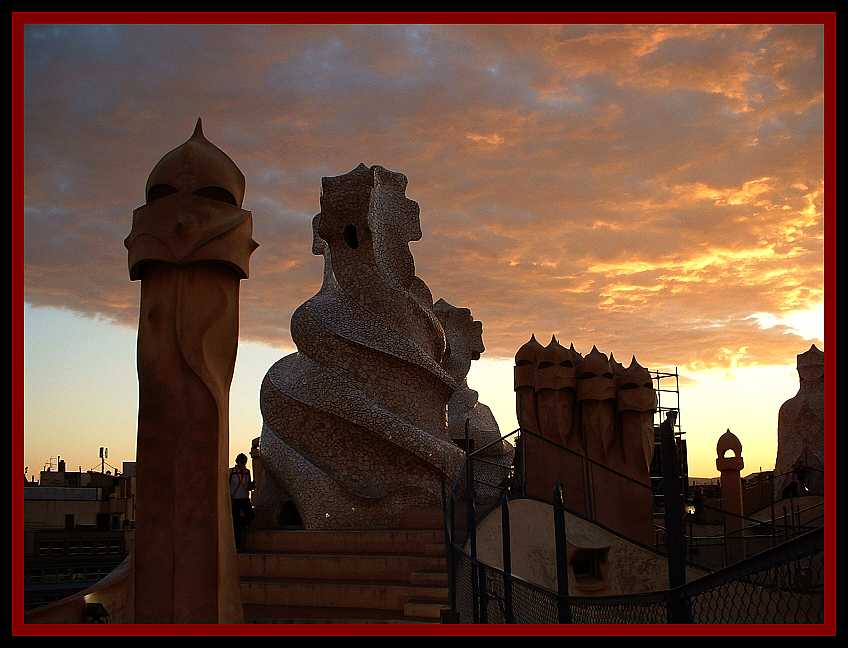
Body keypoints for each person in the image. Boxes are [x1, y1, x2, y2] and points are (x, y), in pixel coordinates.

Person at [229, 453, 255, 552]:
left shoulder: (247, 472)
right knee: (236, 525)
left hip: (244, 499)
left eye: (244, 462)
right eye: (242, 462)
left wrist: (252, 485)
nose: (243, 464)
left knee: (251, 516)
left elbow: (248, 486)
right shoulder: (231, 472)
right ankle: (238, 546)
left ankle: (242, 524)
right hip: (235, 499)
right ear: (238, 462)